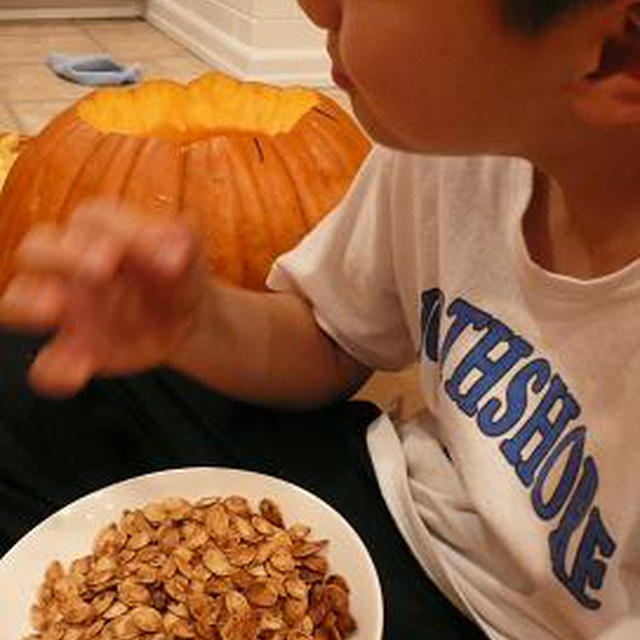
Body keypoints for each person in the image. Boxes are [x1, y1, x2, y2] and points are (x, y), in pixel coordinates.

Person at [1, 0, 639, 637]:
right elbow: (328, 337)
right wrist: (199, 320)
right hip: (389, 495)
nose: (312, 5)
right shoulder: (454, 146)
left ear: (617, 52)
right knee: (24, 365)